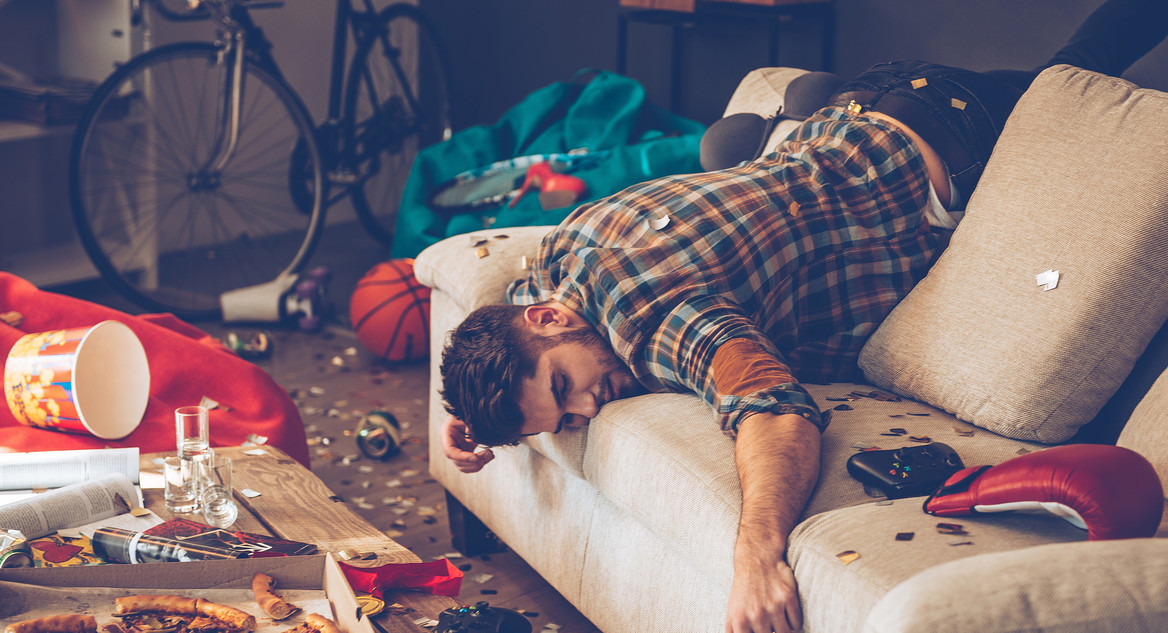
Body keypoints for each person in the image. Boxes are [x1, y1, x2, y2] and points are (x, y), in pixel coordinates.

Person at [437, 2, 1168, 632]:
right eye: (563, 418)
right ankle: (774, 141)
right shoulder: (569, 249)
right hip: (863, 107)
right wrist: (485, 412)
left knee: (1077, 84)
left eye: (565, 388)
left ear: (548, 321)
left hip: (949, 140)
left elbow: (774, 409)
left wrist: (756, 552)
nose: (589, 406)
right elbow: (513, 303)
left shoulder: (654, 315)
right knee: (1068, 73)